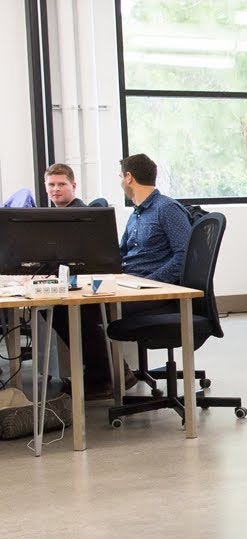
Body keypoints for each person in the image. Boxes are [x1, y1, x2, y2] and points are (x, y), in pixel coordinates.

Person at [42, 164, 114, 399]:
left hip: (89, 285)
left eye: (61, 184)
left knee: (58, 310)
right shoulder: (59, 215)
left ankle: (102, 376)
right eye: (51, 184)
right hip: (77, 282)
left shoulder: (78, 215)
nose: (56, 189)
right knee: (52, 309)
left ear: (73, 185)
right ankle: (105, 371)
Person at [119, 153, 191, 285]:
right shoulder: (135, 215)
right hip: (128, 281)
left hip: (149, 285)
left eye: (121, 177)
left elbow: (185, 255)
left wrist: (148, 282)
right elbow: (121, 252)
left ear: (129, 177)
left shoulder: (166, 208)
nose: (121, 183)